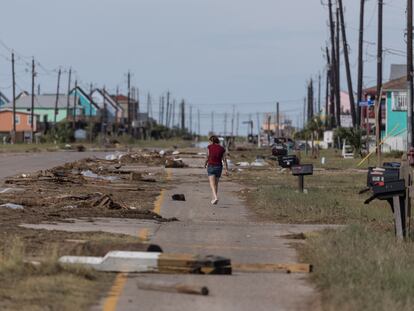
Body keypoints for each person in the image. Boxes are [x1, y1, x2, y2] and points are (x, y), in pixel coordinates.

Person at [204, 135, 228, 205]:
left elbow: (207, 157)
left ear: (211, 141)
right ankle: (214, 199)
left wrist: (205, 164)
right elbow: (224, 160)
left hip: (211, 166)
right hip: (219, 167)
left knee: (212, 184)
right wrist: (226, 169)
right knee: (216, 184)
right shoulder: (222, 149)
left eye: (209, 141)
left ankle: (215, 197)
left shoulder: (209, 147)